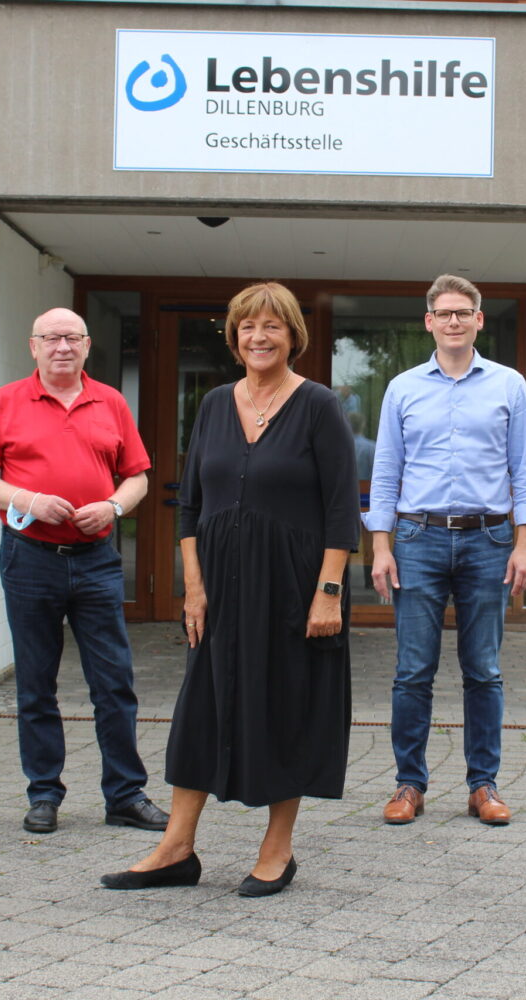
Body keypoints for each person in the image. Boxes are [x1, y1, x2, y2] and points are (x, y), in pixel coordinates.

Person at [101, 282, 357, 897]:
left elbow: (341, 508)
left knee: (288, 706)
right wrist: (193, 587)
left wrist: (328, 590)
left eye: (272, 326)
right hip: (218, 587)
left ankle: (277, 849)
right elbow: (190, 504)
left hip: (292, 586)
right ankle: (176, 848)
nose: (258, 337)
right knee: (201, 708)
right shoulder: (216, 403)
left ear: (293, 335)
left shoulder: (319, 405)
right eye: (247, 326)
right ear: (234, 337)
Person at [0, 308, 167, 836]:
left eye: (72, 338)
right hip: (30, 556)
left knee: (115, 683)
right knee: (36, 683)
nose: (62, 347)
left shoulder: (111, 402)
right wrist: (28, 499)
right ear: (33, 346)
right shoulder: (5, 401)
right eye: (52, 338)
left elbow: (138, 478)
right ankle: (43, 794)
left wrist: (113, 508)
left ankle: (125, 795)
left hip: (97, 559)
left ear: (87, 346)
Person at [366, 274, 526, 827]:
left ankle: (483, 786)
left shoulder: (509, 385)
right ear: (429, 322)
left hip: (488, 540)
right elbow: (385, 471)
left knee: (484, 670)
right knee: (412, 671)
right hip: (417, 539)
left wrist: (525, 542)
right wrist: (380, 546)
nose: (453, 321)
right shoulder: (402, 388)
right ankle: (408, 785)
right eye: (444, 313)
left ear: (478, 320)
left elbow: (525, 468)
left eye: (462, 313)